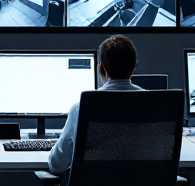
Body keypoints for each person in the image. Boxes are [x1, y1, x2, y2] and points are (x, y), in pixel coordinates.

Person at [48, 36, 143, 175]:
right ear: (134, 67)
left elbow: (57, 165)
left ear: (101, 69)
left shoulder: (81, 108)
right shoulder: (157, 105)